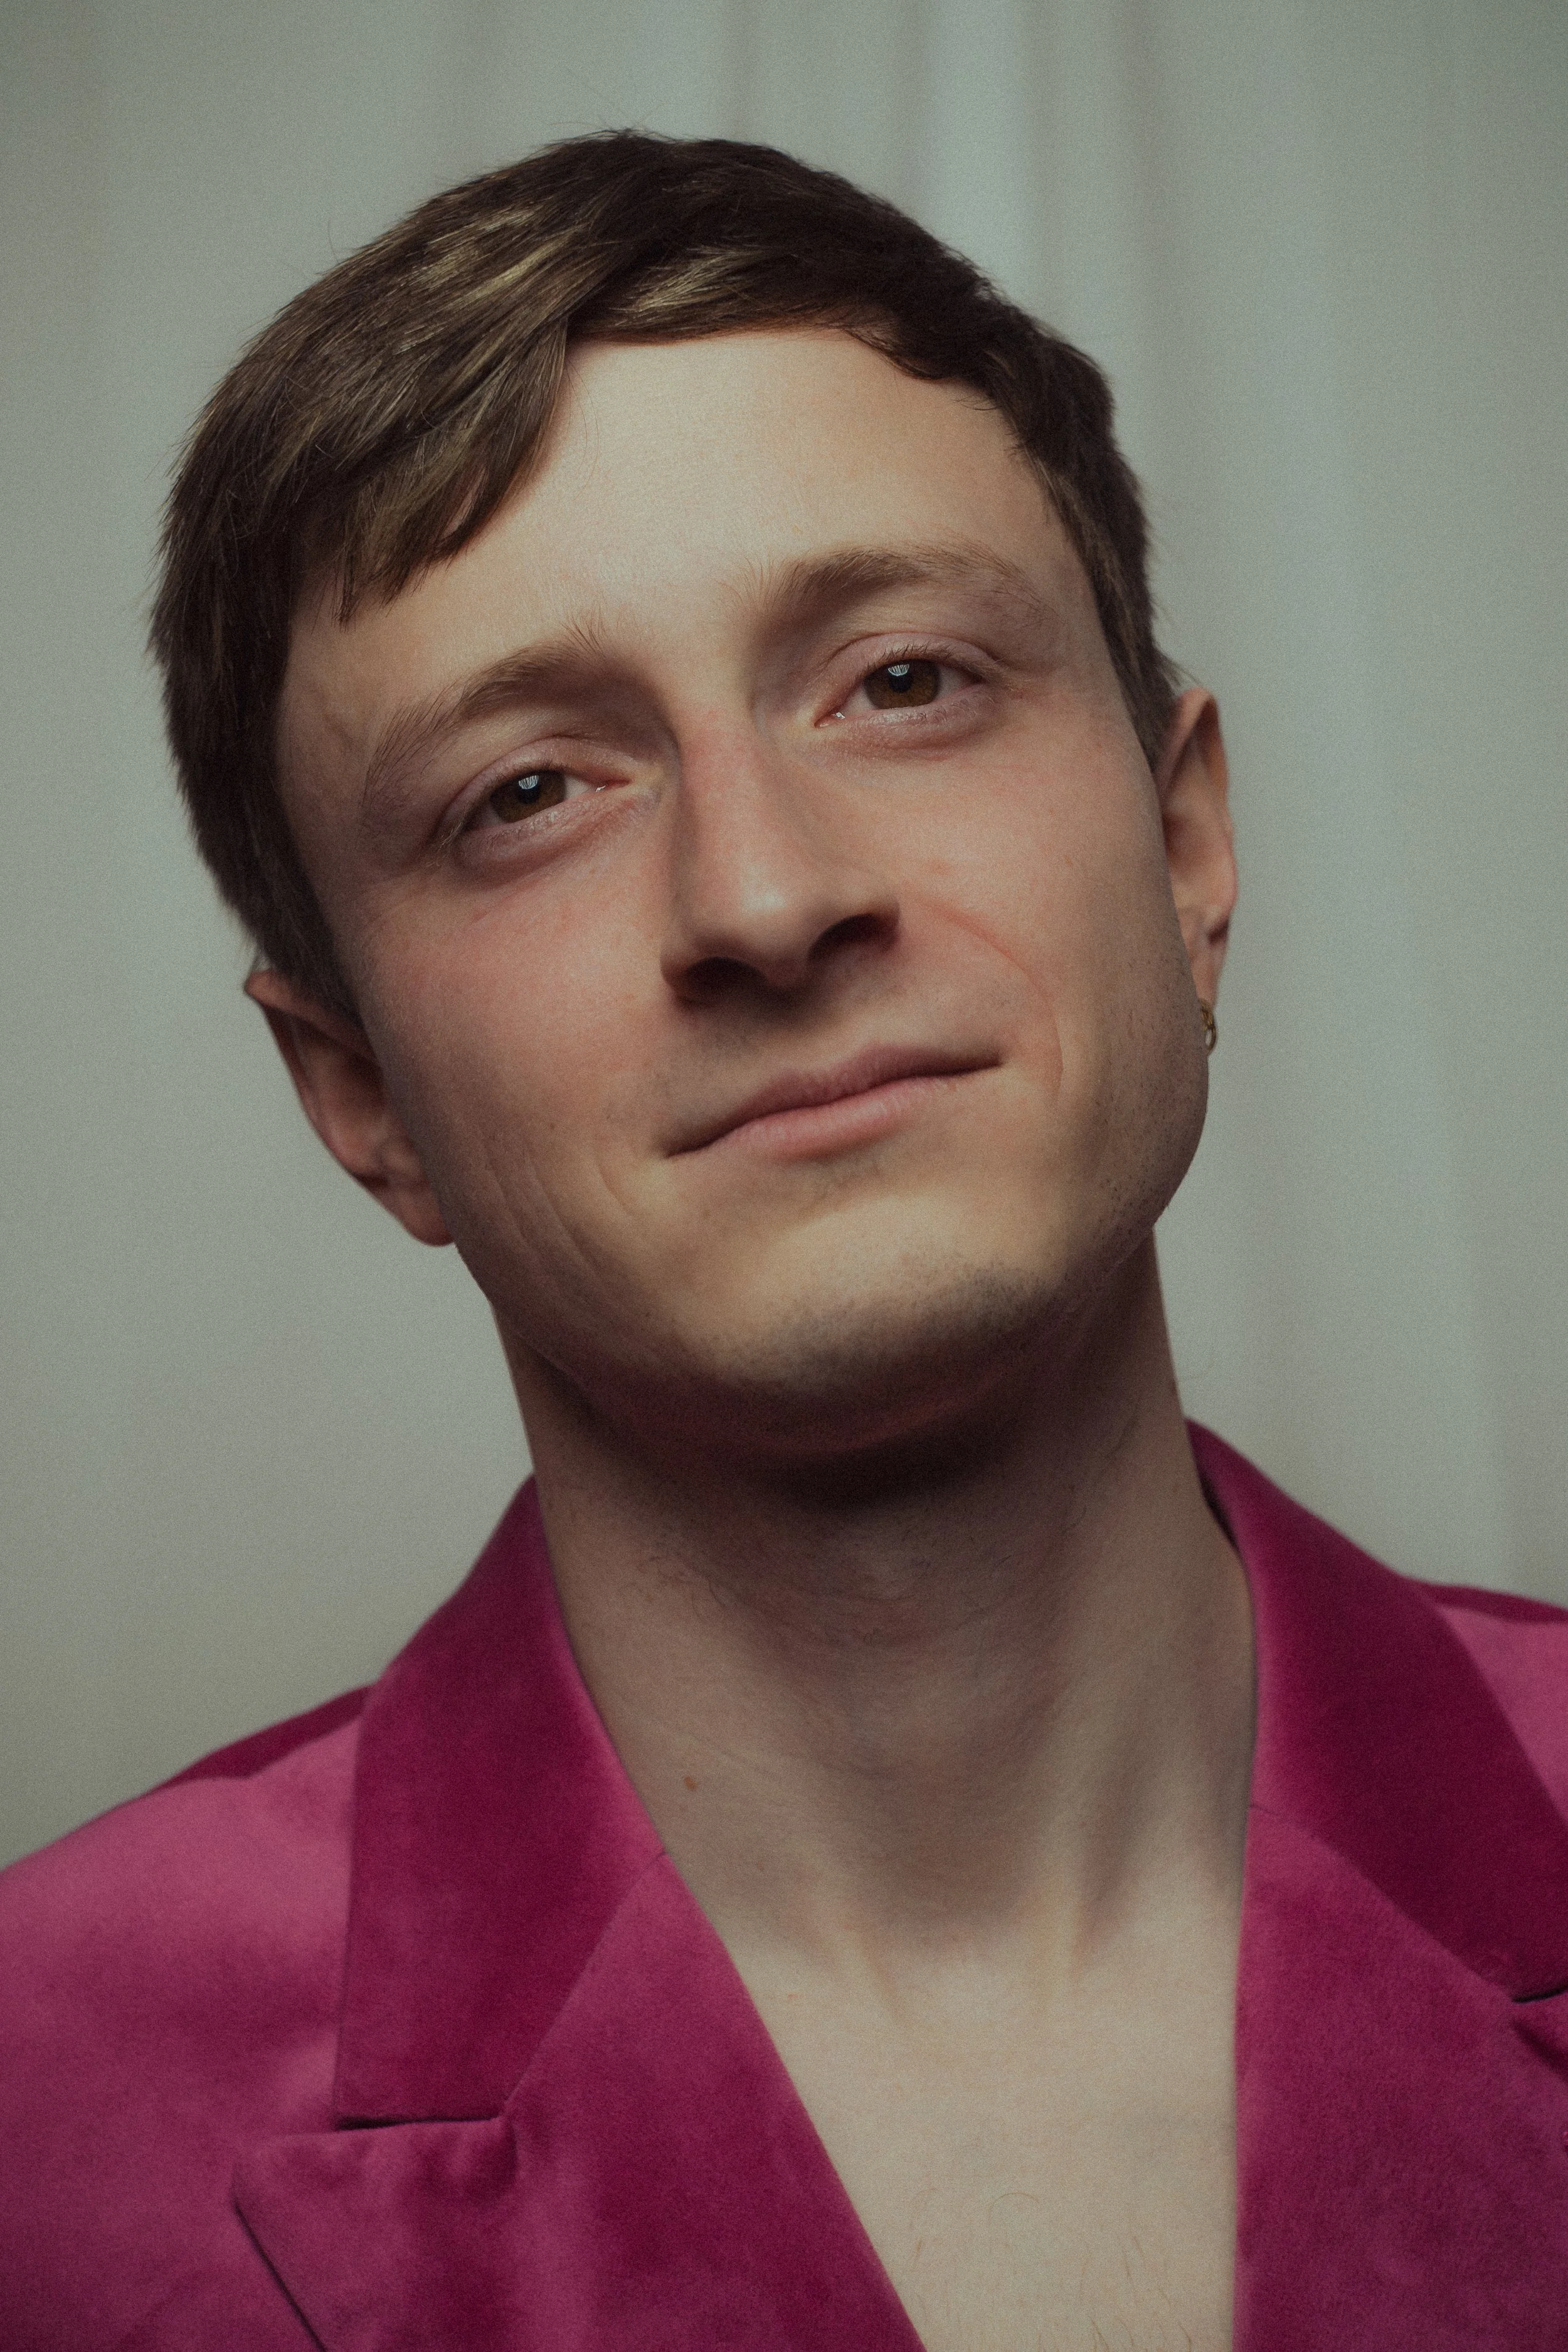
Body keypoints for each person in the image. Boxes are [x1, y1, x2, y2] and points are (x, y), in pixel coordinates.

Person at [3, 130, 1565, 2352]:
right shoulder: (30, 2124)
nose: (762, 895)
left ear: (1184, 838)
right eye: (526, 791)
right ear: (359, 1092)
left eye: (904, 679)